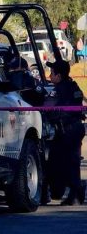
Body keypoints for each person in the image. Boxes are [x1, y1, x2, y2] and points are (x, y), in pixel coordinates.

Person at [44, 60, 86, 205]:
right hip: (76, 127)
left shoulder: (58, 90)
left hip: (65, 130)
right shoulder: (73, 86)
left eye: (52, 73)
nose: (50, 75)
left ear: (59, 75)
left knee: (58, 162)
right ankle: (75, 192)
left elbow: (46, 108)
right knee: (71, 162)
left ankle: (73, 192)